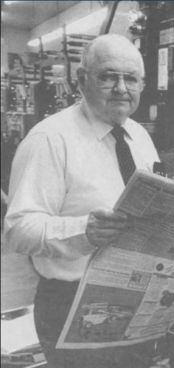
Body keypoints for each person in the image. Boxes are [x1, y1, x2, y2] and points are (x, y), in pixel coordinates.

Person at [4, 34, 164, 368]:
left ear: (142, 84)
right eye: (108, 76)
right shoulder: (50, 140)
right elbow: (19, 229)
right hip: (73, 304)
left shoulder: (140, 136)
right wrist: (85, 231)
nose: (121, 88)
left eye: (131, 78)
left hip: (136, 300)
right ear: (81, 81)